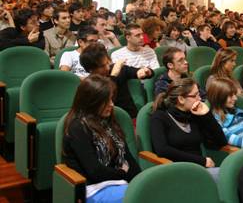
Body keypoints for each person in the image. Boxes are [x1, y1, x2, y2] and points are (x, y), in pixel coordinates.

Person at [62, 75, 140, 203]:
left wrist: (140, 182)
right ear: (91, 101)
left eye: (111, 99)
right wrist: (122, 173)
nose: (112, 104)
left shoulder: (108, 121)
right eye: (106, 101)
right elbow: (94, 171)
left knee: (149, 192)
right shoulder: (77, 127)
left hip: (119, 182)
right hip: (93, 187)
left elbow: (127, 157)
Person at [150, 78, 227, 173]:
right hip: (176, 171)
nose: (199, 99)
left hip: (199, 169)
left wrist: (207, 115)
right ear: (181, 99)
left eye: (199, 94)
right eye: (195, 95)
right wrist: (201, 161)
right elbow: (163, 150)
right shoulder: (159, 117)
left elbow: (221, 142)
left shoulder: (194, 114)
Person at [80, 43, 153, 119]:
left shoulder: (118, 69)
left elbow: (146, 73)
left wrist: (146, 71)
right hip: (107, 121)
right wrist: (114, 75)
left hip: (129, 116)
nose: (107, 68)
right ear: (90, 69)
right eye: (102, 66)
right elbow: (107, 95)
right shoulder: (89, 85)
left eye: (107, 63)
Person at [208, 77, 243, 147]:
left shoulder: (240, 112)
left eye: (235, 94)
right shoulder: (217, 122)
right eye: (230, 95)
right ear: (219, 97)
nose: (235, 98)